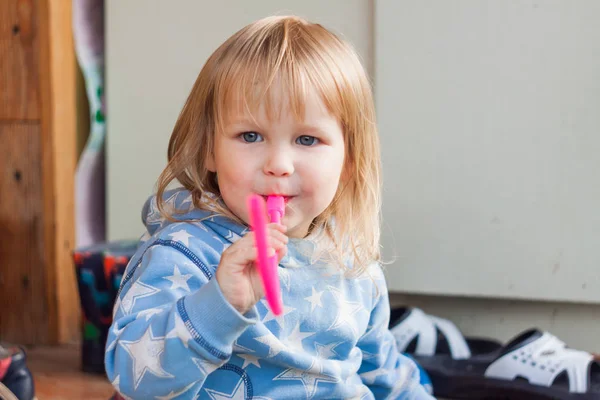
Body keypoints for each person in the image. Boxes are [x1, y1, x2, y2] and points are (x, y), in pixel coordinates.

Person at [105, 15, 435, 399]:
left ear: (349, 161)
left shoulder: (352, 262)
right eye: (250, 135)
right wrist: (217, 305)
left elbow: (386, 378)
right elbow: (132, 376)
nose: (278, 163)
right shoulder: (185, 253)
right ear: (210, 148)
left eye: (307, 140)